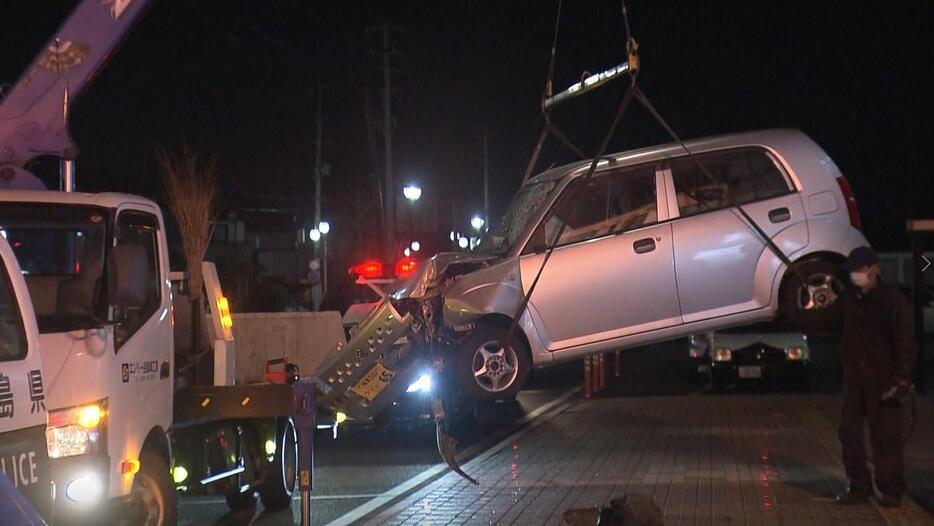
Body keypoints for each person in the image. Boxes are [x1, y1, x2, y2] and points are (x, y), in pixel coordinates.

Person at [832, 246, 916, 507]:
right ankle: (859, 486)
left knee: (886, 437)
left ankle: (891, 490)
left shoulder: (892, 300)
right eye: (852, 271)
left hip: (884, 380)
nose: (855, 275)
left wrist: (901, 377)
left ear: (873, 269)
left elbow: (905, 341)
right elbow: (829, 323)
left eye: (859, 270)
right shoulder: (848, 299)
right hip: (855, 379)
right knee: (849, 433)